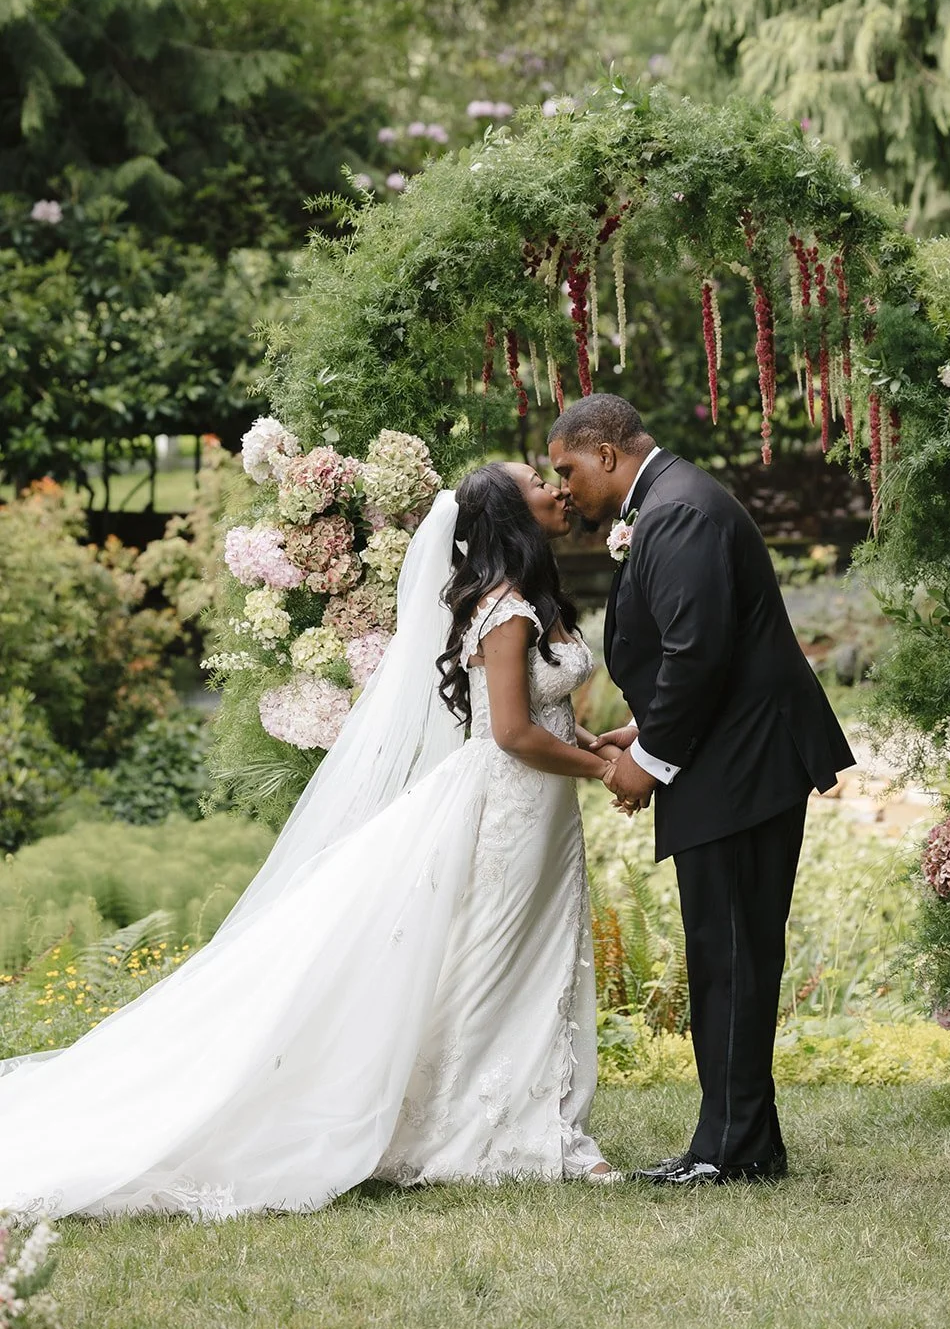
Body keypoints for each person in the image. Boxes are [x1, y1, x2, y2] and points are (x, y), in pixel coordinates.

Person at [0, 464, 623, 1220]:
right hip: (508, 808)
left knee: (523, 954)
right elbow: (513, 731)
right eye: (538, 483)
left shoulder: (525, 601)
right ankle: (485, 1128)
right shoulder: (508, 610)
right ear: (509, 515)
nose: (557, 489)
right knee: (497, 957)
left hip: (536, 805)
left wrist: (603, 741)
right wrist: (603, 771)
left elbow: (542, 713)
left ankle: (515, 1115)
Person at [548, 395, 856, 1187]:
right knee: (728, 954)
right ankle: (738, 1142)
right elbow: (696, 649)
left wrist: (649, 762)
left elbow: (696, 652)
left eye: (567, 469)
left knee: (731, 955)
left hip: (743, 766)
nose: (564, 488)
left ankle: (732, 1151)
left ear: (607, 455)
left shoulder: (677, 512)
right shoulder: (669, 499)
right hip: (727, 756)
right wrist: (641, 733)